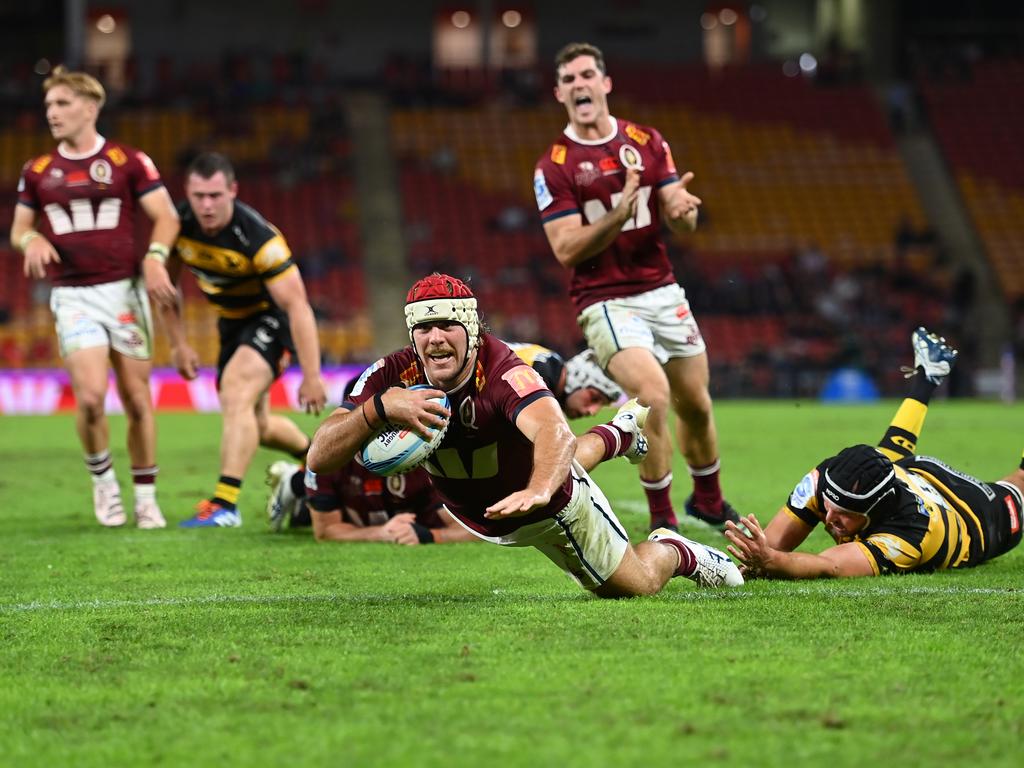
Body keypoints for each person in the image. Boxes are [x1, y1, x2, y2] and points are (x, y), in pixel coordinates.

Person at [307, 273, 743, 596]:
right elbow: (319, 456)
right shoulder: (390, 374)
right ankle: (618, 434)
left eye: (446, 325)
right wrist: (378, 409)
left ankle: (677, 549)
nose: (435, 338)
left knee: (637, 586)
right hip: (481, 509)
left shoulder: (503, 371)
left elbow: (554, 431)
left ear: (472, 328)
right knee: (542, 461)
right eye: (423, 327)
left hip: (548, 506)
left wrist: (538, 489)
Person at [534, 42, 736, 532]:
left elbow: (677, 212)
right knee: (653, 395)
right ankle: (661, 520)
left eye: (588, 75)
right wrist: (619, 214)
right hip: (604, 300)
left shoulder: (645, 140)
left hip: (662, 290)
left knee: (697, 404)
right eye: (570, 79)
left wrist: (685, 212)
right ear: (559, 92)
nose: (580, 84)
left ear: (605, 83)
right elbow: (565, 250)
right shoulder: (554, 165)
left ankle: (707, 500)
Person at [9, 65, 180, 529]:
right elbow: (19, 230)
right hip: (74, 296)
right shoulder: (38, 171)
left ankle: (145, 496)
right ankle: (104, 483)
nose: (53, 113)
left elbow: (166, 216)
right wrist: (32, 242)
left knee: (138, 399)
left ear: (91, 107)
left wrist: (156, 256)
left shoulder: (128, 160)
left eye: (62, 103)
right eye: (48, 105)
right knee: (88, 399)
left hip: (124, 293)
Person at [724, 328, 1024, 579]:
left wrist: (773, 562)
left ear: (874, 510)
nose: (830, 519)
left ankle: (929, 377)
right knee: (884, 457)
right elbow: (772, 545)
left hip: (972, 517)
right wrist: (759, 557)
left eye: (845, 514)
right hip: (910, 472)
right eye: (830, 506)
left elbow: (829, 565)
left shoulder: (910, 534)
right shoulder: (826, 479)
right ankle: (928, 376)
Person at [265, 342, 627, 537]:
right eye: (594, 396)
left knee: (555, 462)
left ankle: (617, 435)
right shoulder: (538, 372)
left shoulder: (529, 375)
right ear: (579, 378)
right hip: (447, 409)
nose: (592, 407)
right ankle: (297, 483)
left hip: (469, 421)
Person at [157, 152, 327, 527]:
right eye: (199, 195)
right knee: (256, 424)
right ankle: (320, 463)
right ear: (187, 192)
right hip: (231, 326)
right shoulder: (179, 225)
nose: (206, 205)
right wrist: (178, 344)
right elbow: (165, 289)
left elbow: (297, 306)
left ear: (232, 190)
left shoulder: (259, 239)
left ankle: (224, 504)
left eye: (215, 195)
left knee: (235, 392)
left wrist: (312, 375)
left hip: (270, 320)